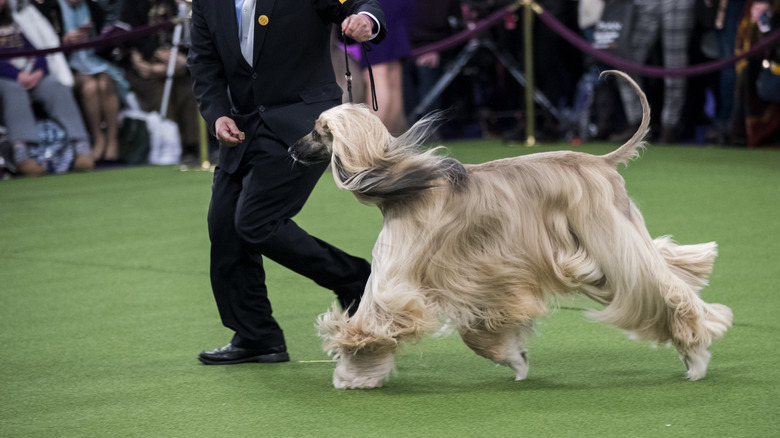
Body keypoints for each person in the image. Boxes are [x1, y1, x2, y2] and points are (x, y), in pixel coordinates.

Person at [187, 0, 386, 364]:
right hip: (241, 127)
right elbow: (203, 62)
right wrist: (216, 115)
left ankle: (356, 280)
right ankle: (256, 335)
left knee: (255, 221)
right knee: (224, 226)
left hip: (305, 124)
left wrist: (365, 21)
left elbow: (358, 5)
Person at [0, 0, 93, 176]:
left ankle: (82, 147)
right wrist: (16, 75)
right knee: (14, 90)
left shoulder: (14, 22)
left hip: (30, 75)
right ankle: (23, 156)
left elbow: (36, 49)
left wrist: (39, 71)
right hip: (6, 79)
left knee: (55, 85)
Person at [35, 0, 129, 162]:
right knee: (90, 87)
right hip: (67, 65)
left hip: (94, 61)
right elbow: (45, 46)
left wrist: (95, 36)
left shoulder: (92, 8)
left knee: (106, 83)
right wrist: (65, 42)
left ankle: (112, 140)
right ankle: (98, 138)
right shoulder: (51, 9)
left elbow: (105, 45)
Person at [121, 0, 200, 160]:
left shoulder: (177, 4)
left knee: (187, 90)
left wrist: (180, 59)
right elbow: (129, 37)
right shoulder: (132, 5)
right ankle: (170, 146)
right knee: (159, 91)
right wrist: (155, 55)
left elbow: (188, 37)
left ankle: (192, 146)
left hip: (175, 65)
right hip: (143, 67)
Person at [609, 0, 696, 144]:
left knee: (675, 70)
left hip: (679, 3)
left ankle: (669, 127)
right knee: (624, 65)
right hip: (644, 3)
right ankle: (637, 123)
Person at [357, 0, 411, 135]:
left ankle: (376, 139)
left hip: (375, 8)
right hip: (397, 6)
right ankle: (388, 140)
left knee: (377, 73)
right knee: (392, 73)